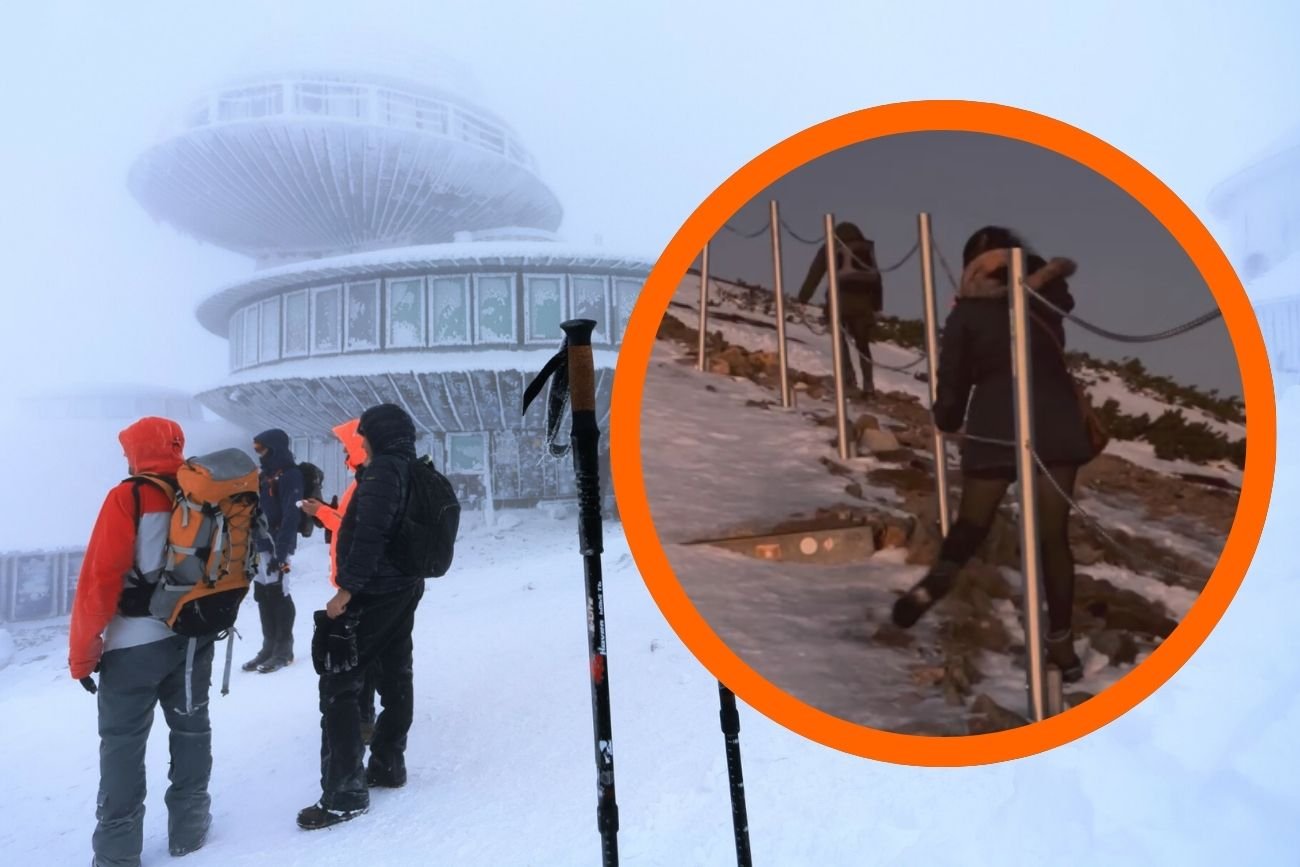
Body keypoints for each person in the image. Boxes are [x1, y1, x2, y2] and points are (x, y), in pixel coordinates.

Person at [890, 225, 1093, 682]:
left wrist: (945, 418)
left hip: (996, 423)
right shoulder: (1049, 299)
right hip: (1055, 421)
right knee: (1052, 537)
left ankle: (934, 586)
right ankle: (1062, 643)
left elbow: (954, 385)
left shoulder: (969, 315)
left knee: (973, 522)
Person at [69, 416, 214, 865]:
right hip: (193, 636)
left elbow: (100, 581)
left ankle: (116, 852)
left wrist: (82, 656)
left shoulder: (129, 496)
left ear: (137, 451)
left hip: (133, 645)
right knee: (191, 729)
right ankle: (189, 829)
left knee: (123, 744)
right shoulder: (206, 493)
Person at [298, 404, 427, 830]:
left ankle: (344, 795)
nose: (360, 442)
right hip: (404, 588)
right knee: (395, 675)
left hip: (373, 593)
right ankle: (389, 763)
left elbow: (369, 535)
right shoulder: (412, 469)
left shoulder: (381, 474)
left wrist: (346, 592)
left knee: (340, 687)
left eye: (363, 434)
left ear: (375, 436)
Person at [299, 418, 380, 744]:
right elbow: (347, 524)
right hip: (356, 582)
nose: (346, 454)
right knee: (366, 657)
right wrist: (321, 511)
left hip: (357, 586)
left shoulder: (367, 485)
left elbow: (354, 531)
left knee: (355, 660)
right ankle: (364, 719)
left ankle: (360, 723)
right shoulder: (366, 482)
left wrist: (347, 588)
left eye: (348, 446)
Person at [797, 221, 884, 396]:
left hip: (840, 300)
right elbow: (876, 278)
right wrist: (877, 306)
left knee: (840, 340)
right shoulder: (864, 249)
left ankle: (848, 378)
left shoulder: (831, 246)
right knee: (863, 344)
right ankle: (869, 384)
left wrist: (803, 298)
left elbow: (815, 273)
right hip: (865, 303)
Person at [244, 429, 303, 674]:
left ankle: (284, 648)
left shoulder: (291, 475)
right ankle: (268, 646)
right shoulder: (264, 475)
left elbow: (292, 514)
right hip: (261, 544)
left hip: (278, 543)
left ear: (274, 448)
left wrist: (281, 552)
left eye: (261, 448)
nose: (258, 453)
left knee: (279, 593)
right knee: (263, 594)